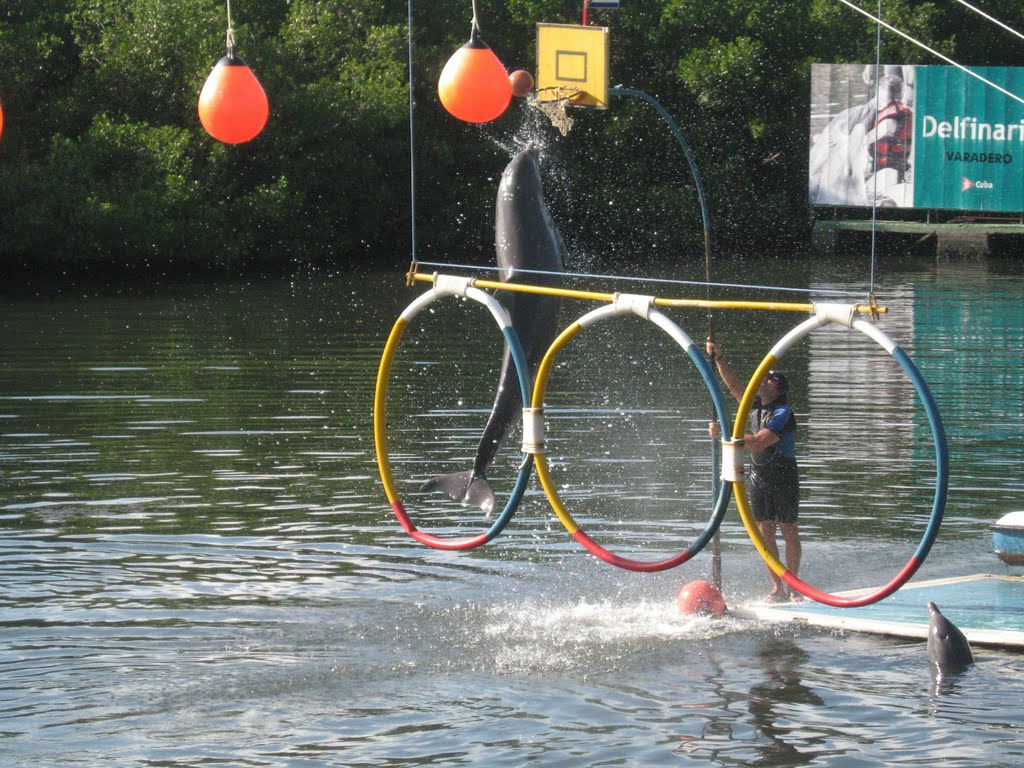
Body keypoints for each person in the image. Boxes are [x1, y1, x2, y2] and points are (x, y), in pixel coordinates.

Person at [706, 338, 801, 602]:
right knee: (765, 531)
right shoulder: (756, 405)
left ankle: (793, 585)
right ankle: (777, 589)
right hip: (759, 477)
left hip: (783, 475)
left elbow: (759, 442)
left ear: (778, 388)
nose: (763, 380)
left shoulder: (784, 412)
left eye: (769, 379)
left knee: (788, 529)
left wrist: (724, 434)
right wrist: (719, 358)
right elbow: (735, 386)